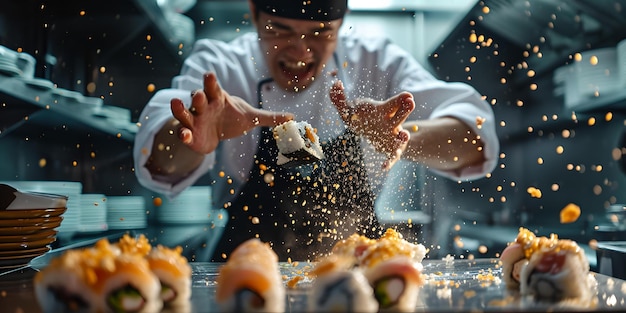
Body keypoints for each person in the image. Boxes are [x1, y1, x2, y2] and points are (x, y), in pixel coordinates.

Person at [133, 0, 499, 262]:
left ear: (342, 24)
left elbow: (476, 141)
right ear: (254, 13)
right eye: (280, 30)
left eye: (320, 33)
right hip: (248, 264)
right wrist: (194, 135)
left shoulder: (377, 60)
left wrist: (404, 137)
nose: (300, 51)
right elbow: (159, 161)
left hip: (359, 268)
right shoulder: (222, 65)